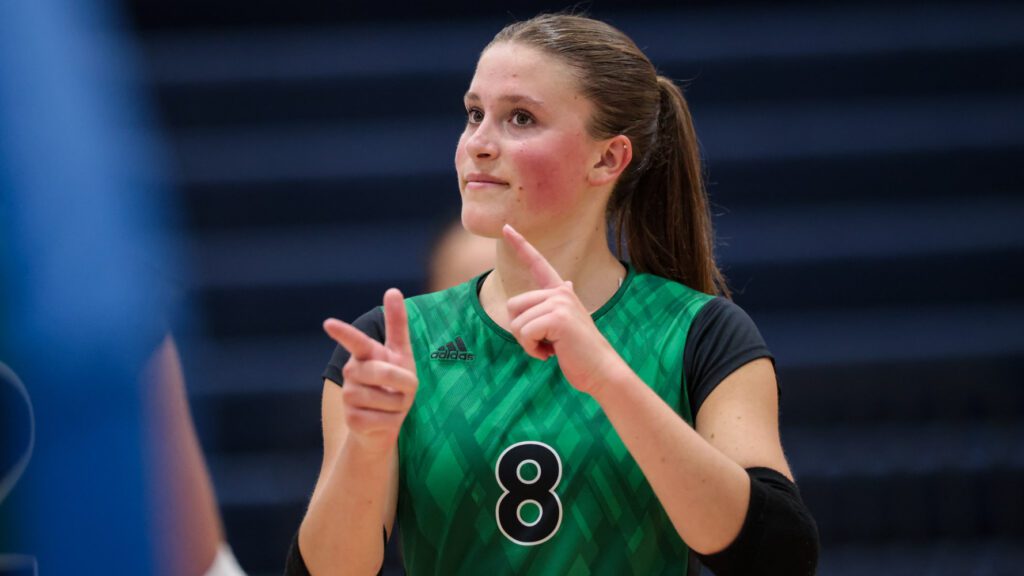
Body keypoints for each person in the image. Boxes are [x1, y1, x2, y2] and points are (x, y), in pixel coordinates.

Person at [287, 13, 818, 575]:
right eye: (473, 114)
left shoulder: (701, 332)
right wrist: (366, 447)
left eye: (520, 118)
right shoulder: (390, 345)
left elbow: (780, 557)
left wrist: (609, 380)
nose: (479, 144)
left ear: (608, 158)